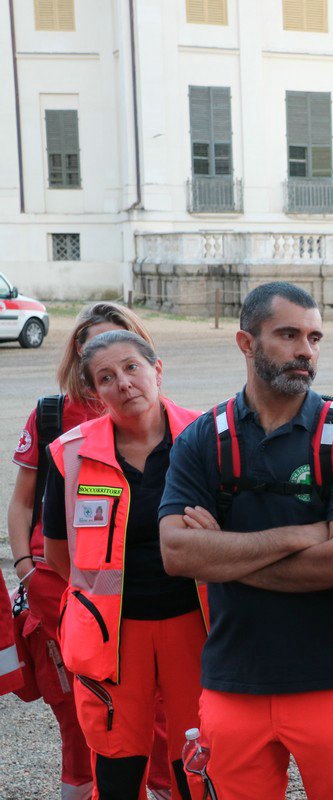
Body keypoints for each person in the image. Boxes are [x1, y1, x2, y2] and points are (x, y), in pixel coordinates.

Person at [159, 282, 333, 799]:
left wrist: (222, 557)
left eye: (314, 336)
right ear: (246, 342)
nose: (306, 350)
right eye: (288, 334)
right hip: (232, 679)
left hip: (332, 676)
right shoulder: (202, 436)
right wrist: (301, 535)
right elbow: (177, 553)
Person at [7, 301, 164, 800]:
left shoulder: (155, 407)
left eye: (121, 342)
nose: (111, 358)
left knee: (154, 717)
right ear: (79, 354)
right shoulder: (53, 413)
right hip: (62, 592)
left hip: (140, 598)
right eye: (94, 345)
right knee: (80, 714)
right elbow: (22, 500)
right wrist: (27, 569)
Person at [41, 330, 207, 799]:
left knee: (197, 755)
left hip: (193, 623)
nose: (124, 383)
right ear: (95, 392)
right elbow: (57, 552)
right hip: (113, 631)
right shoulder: (72, 453)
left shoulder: (204, 437)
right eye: (107, 377)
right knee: (117, 758)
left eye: (132, 368)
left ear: (157, 369)